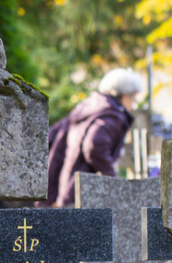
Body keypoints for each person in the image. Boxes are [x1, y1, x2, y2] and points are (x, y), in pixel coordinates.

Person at [44, 68, 144, 206]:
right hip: (82, 190)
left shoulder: (91, 106)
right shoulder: (112, 115)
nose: (133, 104)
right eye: (133, 97)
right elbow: (94, 145)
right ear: (124, 95)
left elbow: (52, 133)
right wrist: (111, 177)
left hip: (64, 183)